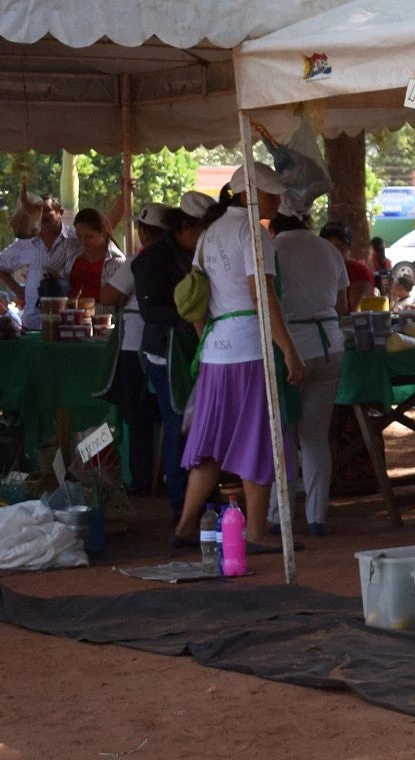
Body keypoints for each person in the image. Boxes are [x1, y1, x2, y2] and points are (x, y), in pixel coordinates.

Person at [170, 163, 306, 555]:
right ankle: (257, 533)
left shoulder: (208, 234)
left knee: (210, 442)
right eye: (270, 192)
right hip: (250, 349)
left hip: (216, 351)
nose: (277, 199)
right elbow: (262, 295)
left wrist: (208, 339)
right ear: (248, 193)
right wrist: (288, 349)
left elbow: (193, 298)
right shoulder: (253, 232)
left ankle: (183, 526)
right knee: (259, 437)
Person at [268, 211, 349, 537]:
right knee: (315, 438)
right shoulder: (328, 249)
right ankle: (317, 518)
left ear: (275, 222)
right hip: (330, 345)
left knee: (283, 436)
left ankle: (277, 516)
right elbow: (343, 306)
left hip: (292, 348)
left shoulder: (272, 248)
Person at [135, 192, 211, 518]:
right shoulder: (151, 260)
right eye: (200, 232)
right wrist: (190, 317)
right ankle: (181, 500)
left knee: (196, 422)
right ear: (184, 227)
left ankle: (197, 494)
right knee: (177, 420)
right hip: (165, 351)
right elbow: (151, 311)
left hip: (191, 347)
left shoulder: (191, 254)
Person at [97, 204, 168, 497]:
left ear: (143, 231)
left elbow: (108, 295)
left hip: (134, 346)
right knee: (165, 415)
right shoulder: (178, 259)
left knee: (136, 415)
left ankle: (140, 478)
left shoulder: (139, 261)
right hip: (166, 344)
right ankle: (163, 475)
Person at [0, 194, 77, 329]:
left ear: (60, 213)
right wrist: (19, 291)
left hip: (70, 322)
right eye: (37, 211)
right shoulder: (26, 242)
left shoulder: (75, 239)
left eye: (46, 210)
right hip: (34, 322)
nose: (41, 215)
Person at [66, 209, 124, 299]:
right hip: (70, 310)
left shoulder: (116, 262)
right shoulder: (72, 250)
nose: (83, 241)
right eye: (78, 235)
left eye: (89, 236)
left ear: (104, 233)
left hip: (101, 312)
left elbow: (116, 302)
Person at [321, 222, 377, 306]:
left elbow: (358, 310)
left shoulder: (358, 270)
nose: (332, 251)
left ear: (349, 247)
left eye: (338, 246)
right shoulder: (320, 270)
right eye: (328, 246)